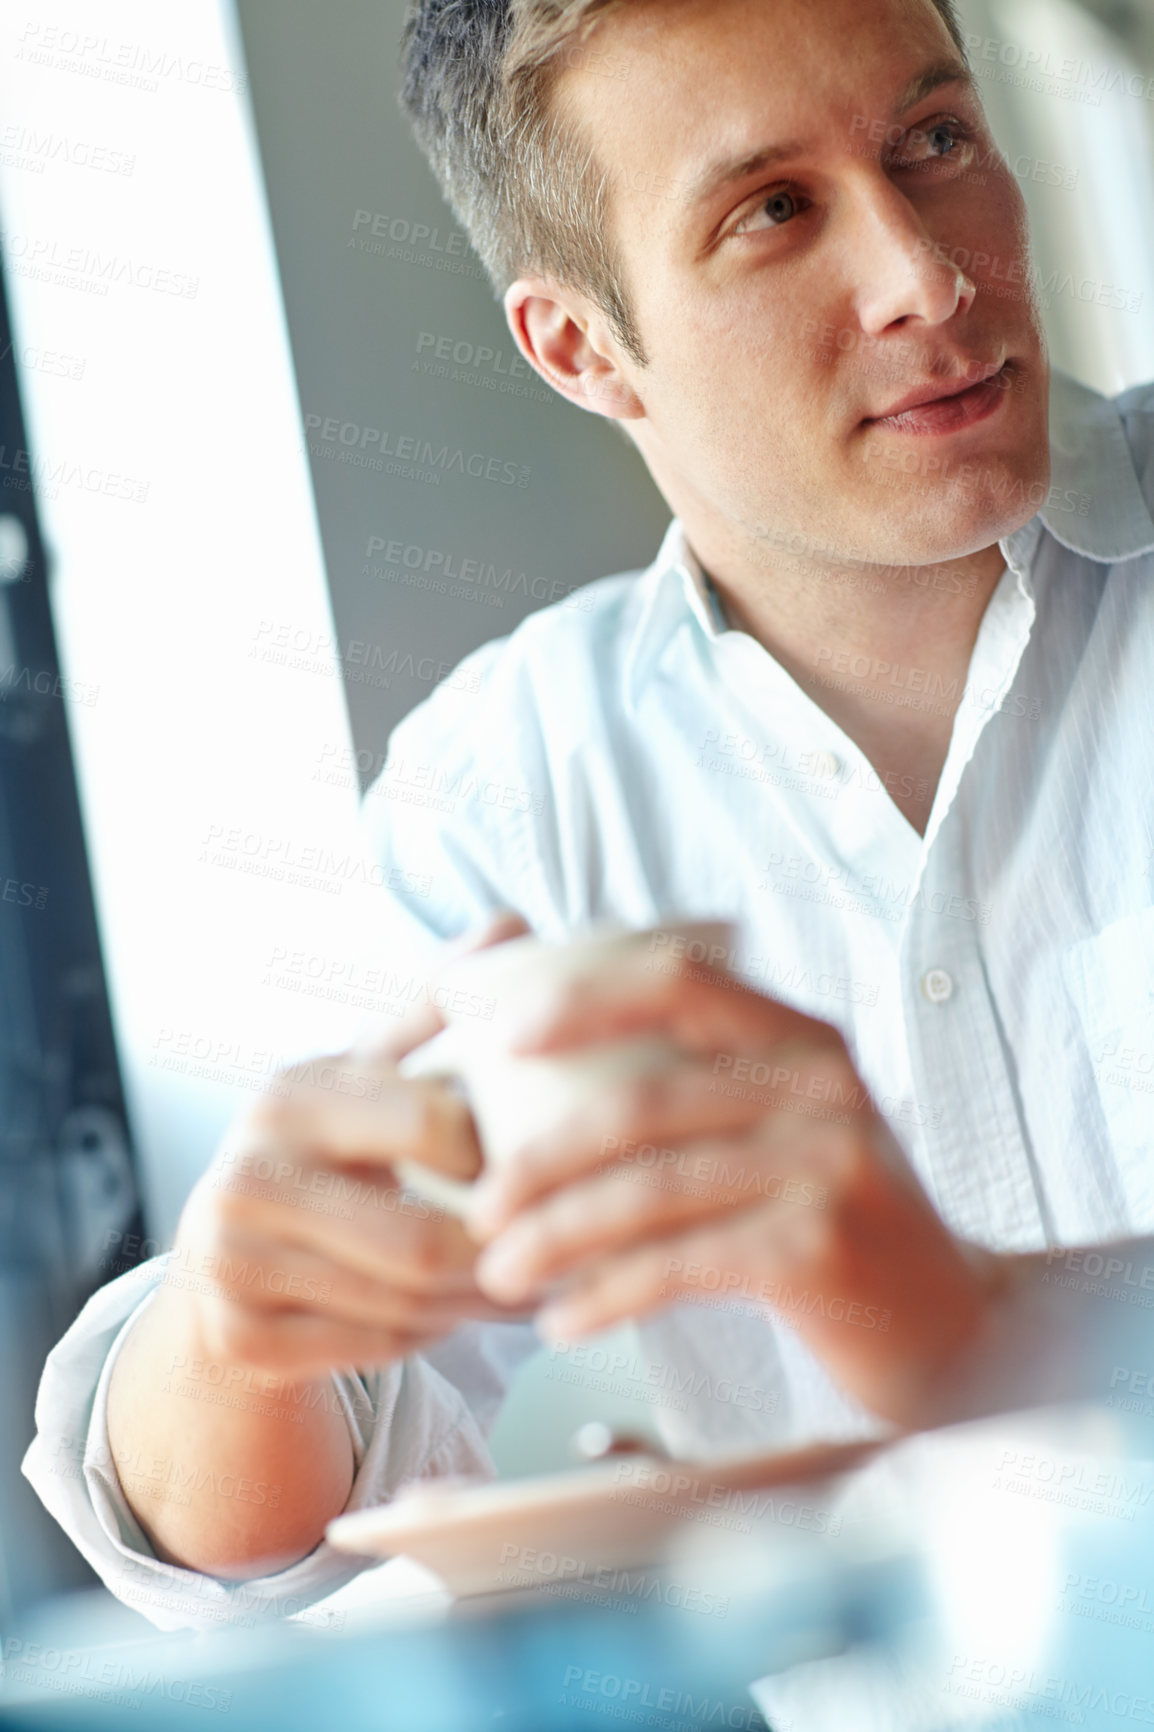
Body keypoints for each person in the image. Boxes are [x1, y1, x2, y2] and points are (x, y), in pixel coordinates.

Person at [24, 0, 1154, 1659]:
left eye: (934, 142)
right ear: (581, 349)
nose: (926, 273)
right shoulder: (505, 793)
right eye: (772, 209)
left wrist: (984, 1334)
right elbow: (227, 1532)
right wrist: (235, 1322)